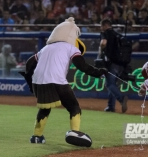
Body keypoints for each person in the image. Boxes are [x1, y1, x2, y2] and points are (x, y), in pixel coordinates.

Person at [19, 17, 107, 146]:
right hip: (57, 80)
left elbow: (29, 63)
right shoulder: (71, 48)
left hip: (38, 81)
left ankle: (36, 137)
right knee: (73, 107)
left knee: (45, 108)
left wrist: (30, 79)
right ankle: (75, 132)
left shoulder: (45, 48)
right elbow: (82, 66)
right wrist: (99, 72)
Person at [98, 18, 128, 113]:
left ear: (106, 25)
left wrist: (100, 50)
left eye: (102, 26)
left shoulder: (106, 33)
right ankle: (111, 106)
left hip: (112, 63)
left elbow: (103, 43)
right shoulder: (118, 35)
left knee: (109, 84)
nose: (101, 28)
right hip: (122, 64)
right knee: (112, 83)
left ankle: (121, 99)